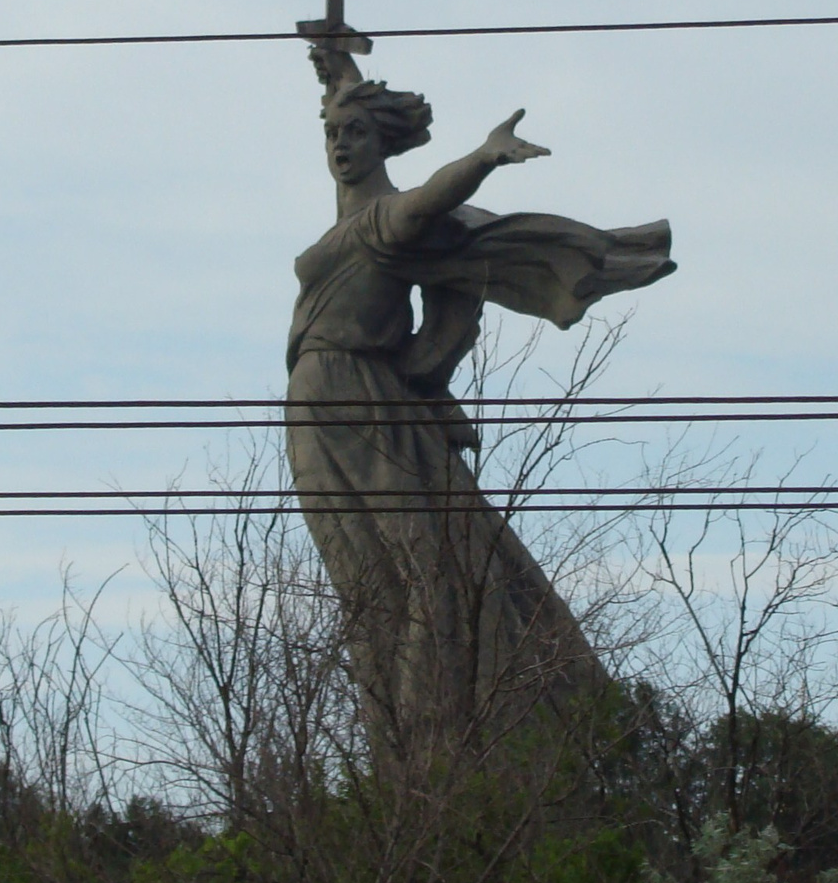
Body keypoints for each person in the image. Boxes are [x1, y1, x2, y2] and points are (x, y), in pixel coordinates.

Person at [287, 42, 674, 754]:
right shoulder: (353, 214)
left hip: (358, 398)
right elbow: (354, 175)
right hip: (315, 408)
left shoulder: (392, 220)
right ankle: (401, 734)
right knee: (362, 578)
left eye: (356, 134)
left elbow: (433, 195)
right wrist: (342, 78)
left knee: (426, 562)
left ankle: (438, 726)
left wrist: (485, 156)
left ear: (382, 144)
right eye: (332, 134)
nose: (340, 146)